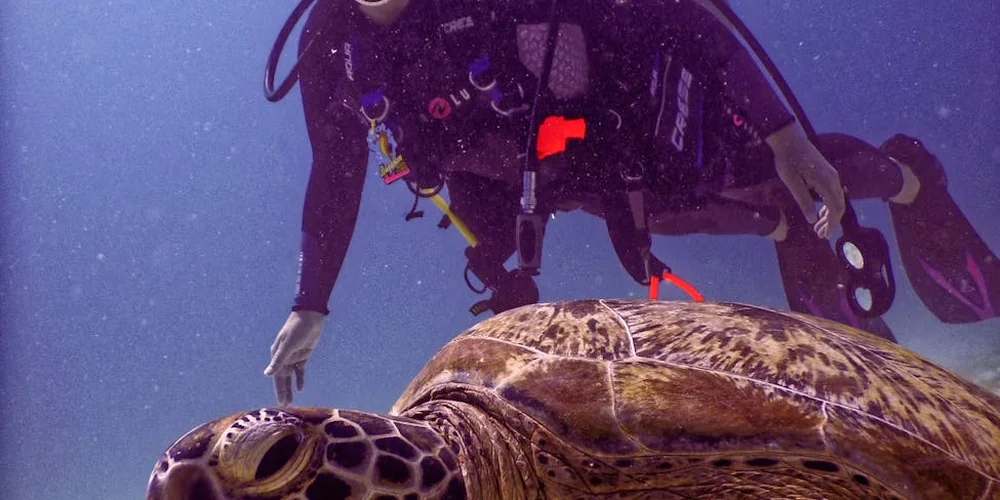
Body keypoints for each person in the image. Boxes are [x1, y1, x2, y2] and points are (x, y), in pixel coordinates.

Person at [262, 0, 1000, 405]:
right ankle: (791, 230)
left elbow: (681, 16)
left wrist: (783, 132)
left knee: (759, 173)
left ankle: (908, 175)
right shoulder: (333, 45)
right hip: (555, 180)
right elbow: (337, 170)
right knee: (699, 218)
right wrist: (311, 301)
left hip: (638, 110)